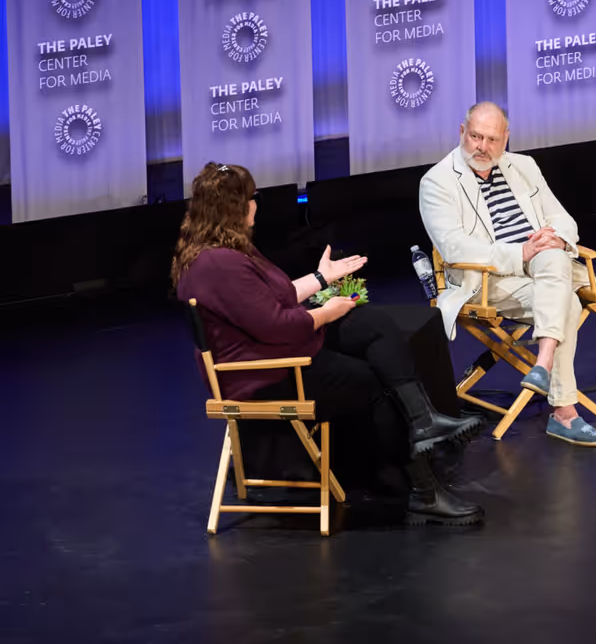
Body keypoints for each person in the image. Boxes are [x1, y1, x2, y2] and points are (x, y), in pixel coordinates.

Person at [173, 162, 486, 527]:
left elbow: (274, 298)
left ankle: (424, 420)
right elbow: (277, 325)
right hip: (266, 377)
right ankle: (424, 492)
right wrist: (327, 312)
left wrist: (323, 278)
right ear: (236, 205)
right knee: (372, 381)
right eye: (253, 197)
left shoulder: (221, 252)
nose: (257, 204)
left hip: (274, 356)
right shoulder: (220, 264)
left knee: (370, 323)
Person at [419, 102, 596, 447]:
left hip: (544, 268)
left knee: (552, 255)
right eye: (475, 136)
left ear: (506, 139)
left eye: (491, 139)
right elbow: (455, 249)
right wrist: (521, 252)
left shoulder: (524, 166)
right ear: (462, 132)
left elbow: (564, 219)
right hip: (487, 281)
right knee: (568, 306)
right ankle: (564, 410)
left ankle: (545, 363)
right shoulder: (437, 181)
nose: (482, 147)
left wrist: (557, 237)